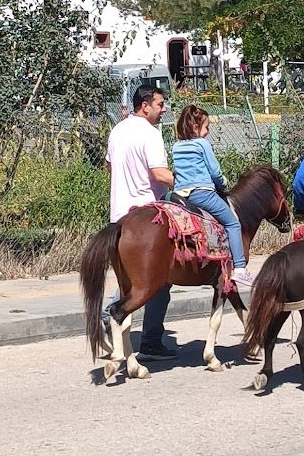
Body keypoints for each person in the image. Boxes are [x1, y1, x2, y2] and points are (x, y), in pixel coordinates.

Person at [106, 81, 176, 357]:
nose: (164, 109)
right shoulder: (150, 134)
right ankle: (148, 338)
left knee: (129, 277)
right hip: (148, 214)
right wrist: (185, 183)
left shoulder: (118, 130)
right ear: (145, 106)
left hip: (119, 215)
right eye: (160, 104)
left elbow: (110, 167)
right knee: (159, 278)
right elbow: (160, 174)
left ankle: (124, 323)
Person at [170, 105, 253, 292]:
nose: (207, 132)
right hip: (203, 193)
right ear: (195, 127)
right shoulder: (202, 144)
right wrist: (222, 183)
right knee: (233, 223)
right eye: (206, 127)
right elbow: (215, 171)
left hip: (182, 195)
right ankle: (240, 267)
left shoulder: (176, 146)